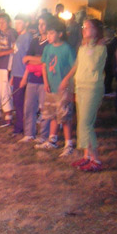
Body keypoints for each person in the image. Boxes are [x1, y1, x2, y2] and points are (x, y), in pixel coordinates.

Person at [60, 18, 107, 172]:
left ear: (96, 30)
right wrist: (67, 80)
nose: (84, 30)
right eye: (84, 27)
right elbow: (77, 66)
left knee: (86, 124)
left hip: (92, 88)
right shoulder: (82, 47)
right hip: (80, 86)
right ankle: (87, 156)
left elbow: (93, 65)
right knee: (82, 122)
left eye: (88, 27)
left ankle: (96, 159)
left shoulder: (100, 48)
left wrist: (92, 46)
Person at [35, 18, 76, 156]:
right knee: (52, 114)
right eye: (47, 34)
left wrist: (66, 79)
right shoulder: (48, 48)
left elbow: (75, 65)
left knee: (64, 116)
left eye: (51, 33)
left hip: (63, 89)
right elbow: (44, 65)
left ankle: (68, 143)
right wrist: (46, 82)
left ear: (60, 34)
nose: (48, 37)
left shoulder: (66, 48)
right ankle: (52, 140)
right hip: (51, 87)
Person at [18, 14, 52, 143]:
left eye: (43, 24)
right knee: (29, 107)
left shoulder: (50, 43)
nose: (41, 27)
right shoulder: (34, 41)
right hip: (32, 79)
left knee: (45, 109)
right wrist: (25, 78)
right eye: (39, 24)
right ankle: (29, 133)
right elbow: (26, 59)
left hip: (45, 81)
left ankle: (43, 135)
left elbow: (46, 61)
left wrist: (36, 60)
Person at [10, 14, 32, 136]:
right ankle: (19, 125)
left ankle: (21, 127)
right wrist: (13, 75)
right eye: (16, 23)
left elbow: (28, 58)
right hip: (17, 73)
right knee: (17, 101)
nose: (17, 25)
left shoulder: (27, 37)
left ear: (26, 23)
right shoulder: (20, 37)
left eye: (19, 23)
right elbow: (16, 57)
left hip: (23, 74)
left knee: (21, 102)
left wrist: (25, 76)